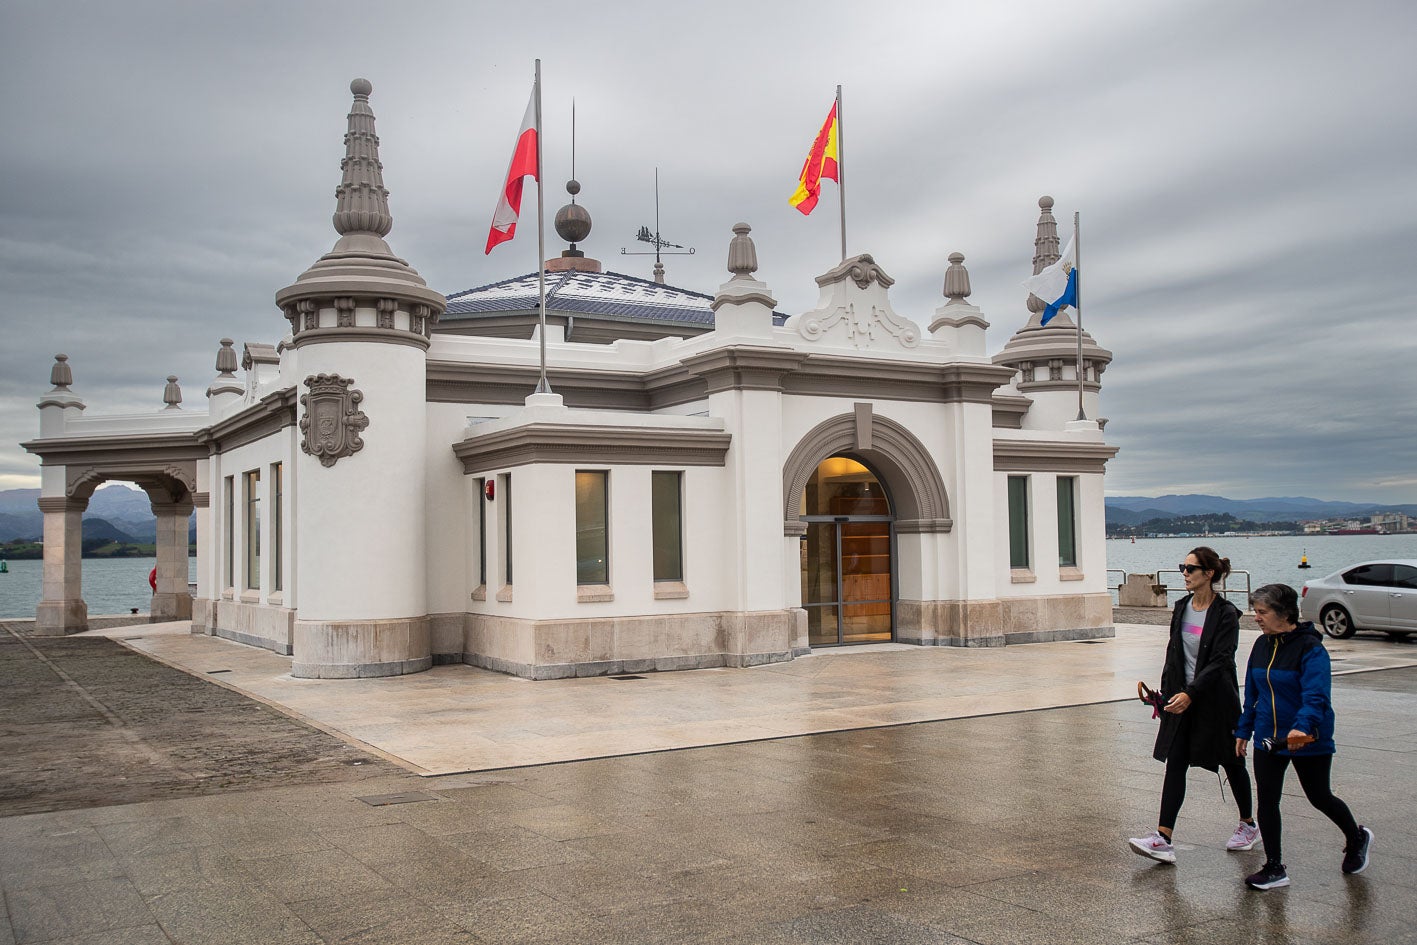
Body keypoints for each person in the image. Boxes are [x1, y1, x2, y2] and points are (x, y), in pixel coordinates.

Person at [1234, 583, 1372, 891]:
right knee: (1268, 801)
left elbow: (1316, 695)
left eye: (1262, 612)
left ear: (1284, 614)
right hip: (1269, 739)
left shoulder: (1311, 648)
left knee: (1319, 796)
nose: (1256, 618)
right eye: (1255, 611)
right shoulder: (1261, 645)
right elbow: (1253, 693)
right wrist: (1244, 729)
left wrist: (1302, 726)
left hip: (1307, 738)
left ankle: (1356, 836)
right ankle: (1274, 867)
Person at [1129, 547, 1256, 864]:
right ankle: (1163, 837)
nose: (1184, 573)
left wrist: (1192, 693)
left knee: (1232, 761)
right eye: (1182, 567)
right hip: (1182, 700)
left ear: (1209, 574)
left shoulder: (1226, 614)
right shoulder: (1182, 606)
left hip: (1215, 700)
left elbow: (1221, 660)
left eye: (1190, 568)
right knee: (1176, 762)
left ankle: (1248, 825)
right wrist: (1166, 695)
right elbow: (1175, 655)